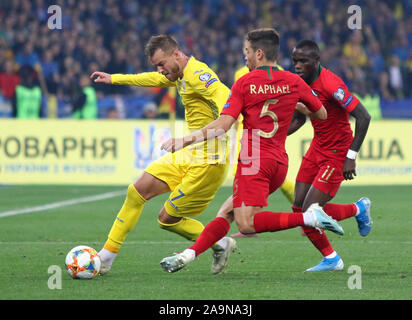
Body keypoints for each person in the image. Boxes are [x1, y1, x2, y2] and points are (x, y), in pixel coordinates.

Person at [160, 28, 344, 274]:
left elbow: (224, 124)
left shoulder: (244, 83)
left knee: (246, 225)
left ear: (259, 53)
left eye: (246, 52)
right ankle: (187, 255)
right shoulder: (294, 81)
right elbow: (321, 113)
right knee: (227, 212)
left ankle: (309, 218)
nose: (243, 57)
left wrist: (186, 140)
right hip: (279, 162)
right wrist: (295, 104)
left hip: (254, 158)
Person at [90, 34, 233, 275]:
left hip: (210, 160)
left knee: (167, 219)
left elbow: (228, 105)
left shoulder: (199, 75)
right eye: (157, 65)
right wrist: (114, 78)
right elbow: (151, 78)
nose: (160, 70)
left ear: (176, 54)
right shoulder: (177, 73)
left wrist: (186, 139)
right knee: (136, 192)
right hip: (189, 154)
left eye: (161, 63)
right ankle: (107, 256)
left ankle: (219, 242)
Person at [289, 40, 372, 271]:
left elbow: (363, 117)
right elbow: (300, 117)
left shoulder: (331, 84)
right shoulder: (299, 82)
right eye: (295, 61)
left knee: (309, 211)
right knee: (299, 210)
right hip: (317, 147)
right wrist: (275, 135)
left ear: (316, 61)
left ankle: (357, 213)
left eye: (303, 61)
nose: (297, 66)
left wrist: (351, 156)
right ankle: (333, 256)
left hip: (337, 153)